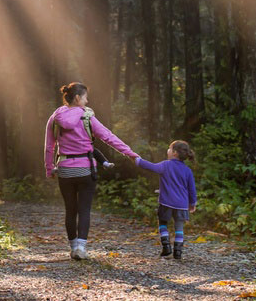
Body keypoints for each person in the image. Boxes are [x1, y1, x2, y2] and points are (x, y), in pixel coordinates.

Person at [45, 82, 139, 260]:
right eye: (86, 97)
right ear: (78, 98)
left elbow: (49, 147)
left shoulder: (55, 117)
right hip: (85, 170)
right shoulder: (87, 117)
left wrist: (50, 169)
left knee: (70, 209)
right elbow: (108, 137)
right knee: (84, 209)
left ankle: (73, 248)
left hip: (65, 170)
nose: (87, 101)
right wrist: (130, 153)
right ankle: (81, 247)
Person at [135, 140, 197, 259]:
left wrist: (138, 160)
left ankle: (166, 247)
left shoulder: (166, 165)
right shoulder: (187, 171)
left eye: (169, 148)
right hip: (182, 204)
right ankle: (178, 251)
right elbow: (192, 189)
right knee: (179, 226)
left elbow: (151, 167)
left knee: (162, 223)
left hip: (166, 202)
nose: (167, 150)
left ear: (174, 153)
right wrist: (192, 203)